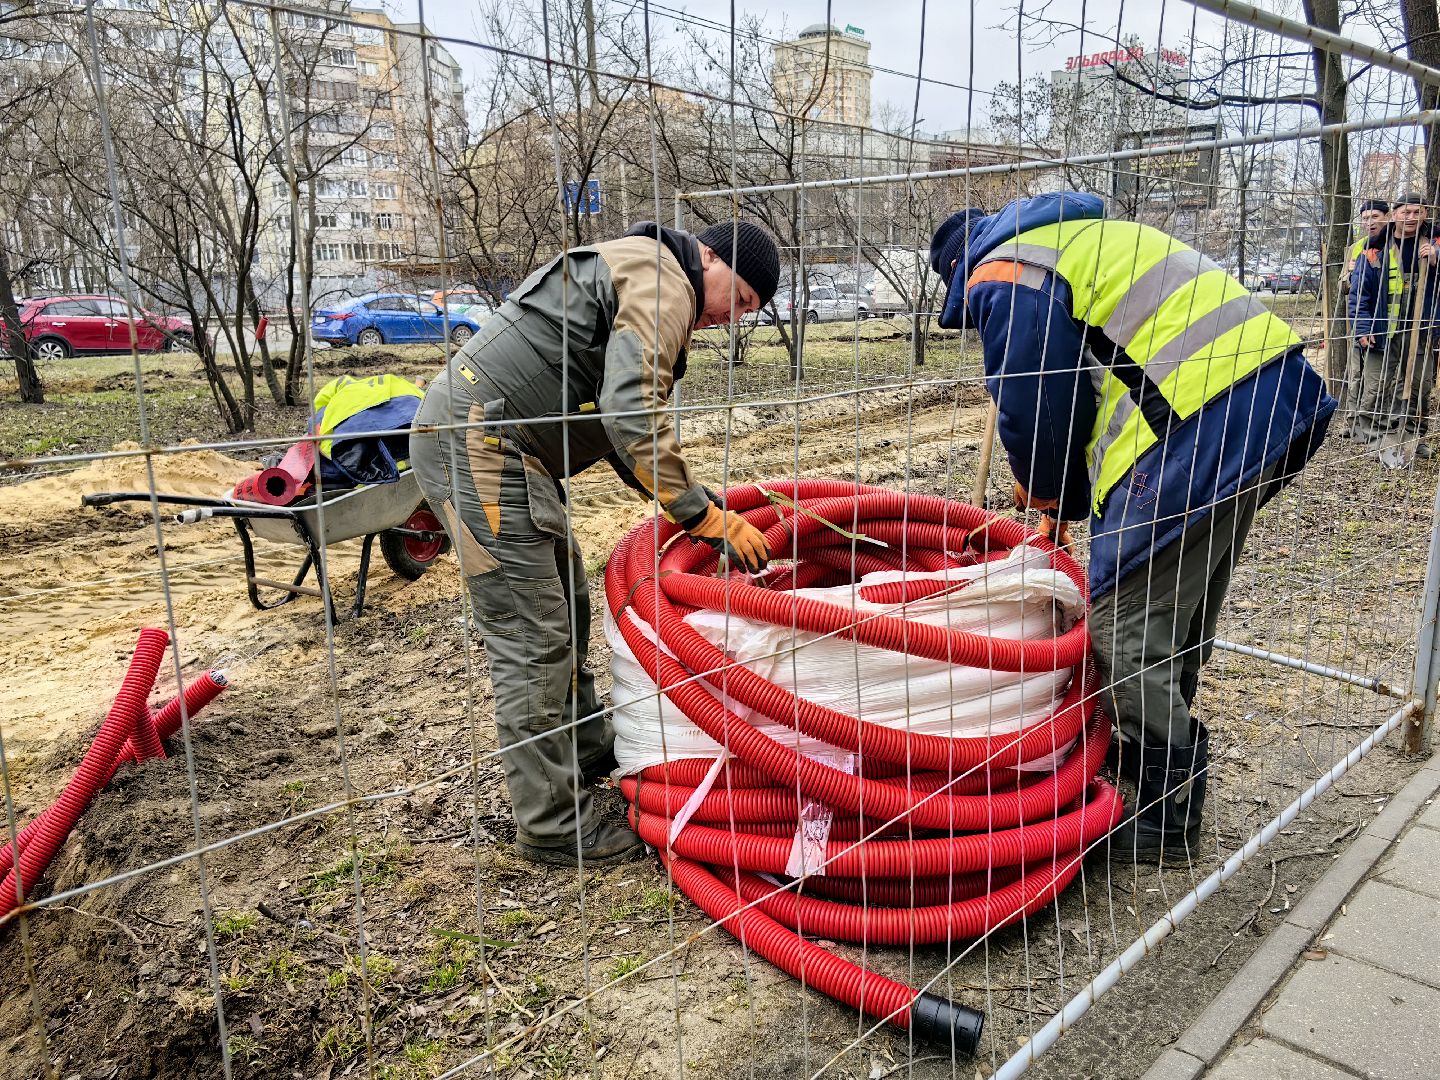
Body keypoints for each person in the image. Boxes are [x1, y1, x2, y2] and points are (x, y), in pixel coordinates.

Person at [929, 192, 1335, 863]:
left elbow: (1038, 398)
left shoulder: (1005, 269)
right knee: (1173, 607)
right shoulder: (1077, 237)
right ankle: (1150, 768)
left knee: (1123, 623)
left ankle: (1161, 817)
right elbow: (1084, 377)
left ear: (957, 270)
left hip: (1202, 419)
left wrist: (1049, 497)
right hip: (1272, 396)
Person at [409, 220, 779, 866]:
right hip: (478, 445)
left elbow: (609, 422)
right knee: (533, 634)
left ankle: (581, 751)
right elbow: (631, 412)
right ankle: (551, 823)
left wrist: (695, 503)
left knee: (567, 608)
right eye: (740, 298)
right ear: (712, 258)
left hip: (502, 447)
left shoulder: (651, 273)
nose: (733, 317)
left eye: (746, 311)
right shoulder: (669, 283)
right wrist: (702, 518)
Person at [1351, 191, 1439, 459]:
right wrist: (1363, 328)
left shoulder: (1435, 241)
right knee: (1377, 386)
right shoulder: (1375, 247)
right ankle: (1376, 438)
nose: (1410, 218)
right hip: (1383, 330)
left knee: (1419, 387)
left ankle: (1414, 438)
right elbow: (1359, 293)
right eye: (1405, 212)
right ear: (1395, 214)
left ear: (1425, 213)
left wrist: (1437, 258)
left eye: (1417, 212)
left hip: (1422, 331)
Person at [1337, 198, 1391, 435]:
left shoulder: (1395, 246)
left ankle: (1377, 422)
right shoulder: (1355, 248)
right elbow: (1343, 287)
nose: (1369, 222)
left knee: (1381, 377)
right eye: (1365, 218)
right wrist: (1350, 273)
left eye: (1375, 217)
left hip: (1387, 321)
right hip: (1360, 321)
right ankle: (1352, 424)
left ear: (1387, 217)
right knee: (1356, 374)